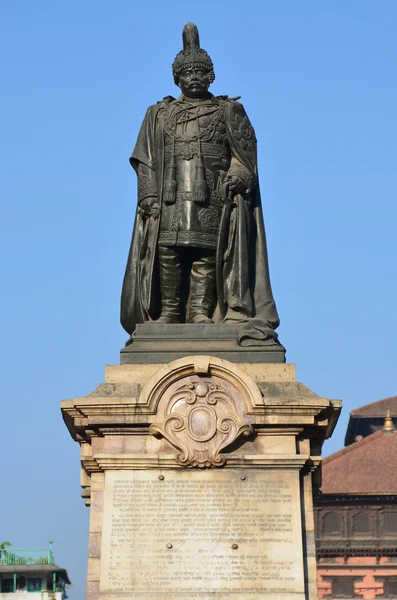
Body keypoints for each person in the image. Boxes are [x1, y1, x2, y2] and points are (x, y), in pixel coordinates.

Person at [121, 23, 281, 346]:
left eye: (200, 72)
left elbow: (246, 158)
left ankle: (199, 311)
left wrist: (238, 174)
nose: (194, 78)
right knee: (169, 252)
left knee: (206, 255)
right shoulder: (159, 115)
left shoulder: (227, 113)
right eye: (187, 73)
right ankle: (168, 311)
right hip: (170, 199)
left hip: (212, 199)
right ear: (176, 78)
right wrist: (148, 193)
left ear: (211, 76)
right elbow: (145, 159)